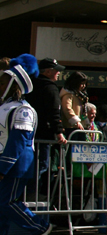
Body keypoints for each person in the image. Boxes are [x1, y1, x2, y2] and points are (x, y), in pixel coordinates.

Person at [0, 55, 55, 235]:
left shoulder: (23, 110)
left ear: (13, 85)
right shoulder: (4, 107)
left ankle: (39, 227)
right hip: (7, 162)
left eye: (3, 83)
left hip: (16, 164)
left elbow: (18, 141)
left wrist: (3, 167)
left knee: (6, 202)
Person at [26, 58, 67, 190]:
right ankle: (31, 195)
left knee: (30, 165)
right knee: (41, 165)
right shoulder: (50, 88)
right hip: (43, 133)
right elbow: (53, 111)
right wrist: (59, 132)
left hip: (29, 131)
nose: (58, 73)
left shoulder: (30, 86)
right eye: (56, 70)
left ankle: (26, 194)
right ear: (48, 72)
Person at [60, 71, 89, 138]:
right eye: (81, 84)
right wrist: (76, 122)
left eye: (84, 84)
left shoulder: (79, 95)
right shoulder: (68, 95)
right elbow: (67, 109)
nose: (83, 86)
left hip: (80, 126)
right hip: (71, 127)